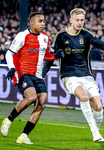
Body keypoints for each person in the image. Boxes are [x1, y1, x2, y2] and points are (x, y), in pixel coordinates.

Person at [42, 8, 104, 142]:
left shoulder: (86, 35)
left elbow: (103, 46)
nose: (79, 22)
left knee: (98, 108)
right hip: (69, 75)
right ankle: (95, 132)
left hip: (86, 75)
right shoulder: (61, 36)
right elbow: (51, 57)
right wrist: (43, 74)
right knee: (83, 97)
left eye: (82, 20)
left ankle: (96, 128)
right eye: (77, 20)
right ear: (71, 20)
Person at [1, 12, 64, 144]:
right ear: (32, 22)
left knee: (42, 103)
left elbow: (45, 56)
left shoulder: (45, 38)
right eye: (40, 21)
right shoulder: (22, 36)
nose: (43, 24)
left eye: (43, 21)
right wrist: (11, 68)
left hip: (38, 75)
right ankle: (8, 120)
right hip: (23, 73)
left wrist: (54, 56)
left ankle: (23, 135)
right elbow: (9, 53)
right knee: (31, 97)